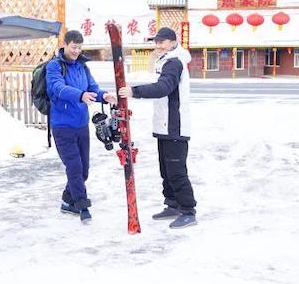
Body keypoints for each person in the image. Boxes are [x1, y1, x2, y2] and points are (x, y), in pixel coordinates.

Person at [118, 27, 196, 229]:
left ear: (172, 42)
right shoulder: (165, 60)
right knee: (166, 169)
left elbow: (163, 88)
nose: (158, 46)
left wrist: (134, 92)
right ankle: (172, 204)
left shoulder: (174, 62)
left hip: (175, 126)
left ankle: (188, 211)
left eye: (162, 42)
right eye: (156, 42)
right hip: (164, 125)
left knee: (177, 171)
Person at [46, 30, 116, 223]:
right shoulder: (55, 66)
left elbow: (92, 88)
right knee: (75, 167)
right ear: (65, 44)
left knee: (83, 169)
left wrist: (104, 96)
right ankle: (81, 205)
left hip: (81, 124)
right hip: (62, 126)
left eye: (79, 47)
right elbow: (57, 88)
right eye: (73, 47)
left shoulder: (82, 67)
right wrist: (79, 95)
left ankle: (67, 201)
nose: (77, 51)